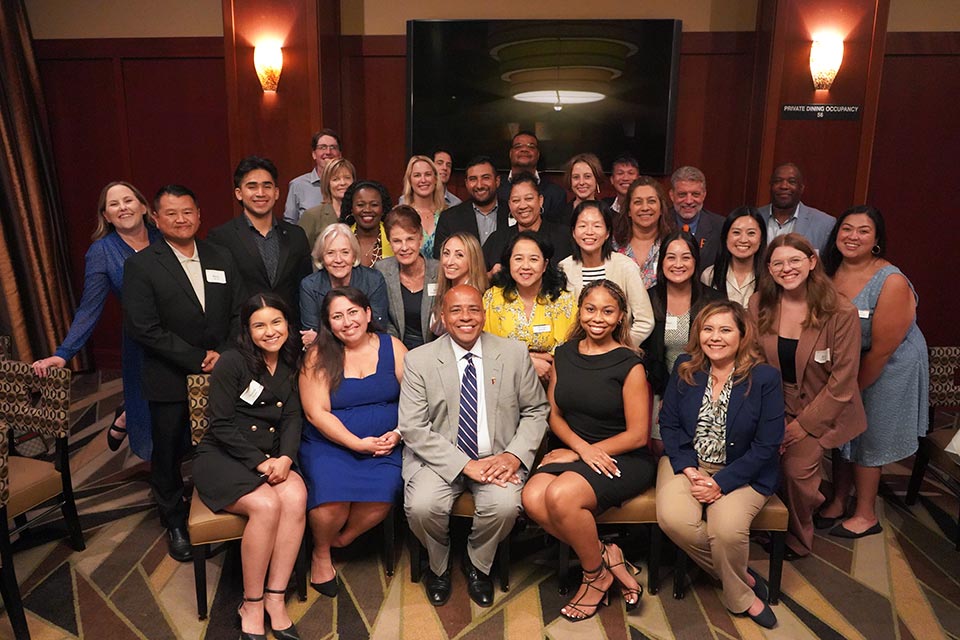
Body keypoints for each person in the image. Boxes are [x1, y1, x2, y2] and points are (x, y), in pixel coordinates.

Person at [399, 285, 549, 607]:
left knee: (505, 505)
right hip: (438, 460)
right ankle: (439, 566)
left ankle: (477, 564)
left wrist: (512, 455)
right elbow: (413, 427)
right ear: (442, 315)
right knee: (422, 506)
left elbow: (537, 411)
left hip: (497, 456)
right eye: (456, 310)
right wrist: (465, 465)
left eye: (473, 309)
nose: (466, 317)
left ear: (483, 314)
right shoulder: (419, 360)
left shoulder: (513, 353)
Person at [521, 280, 655, 621]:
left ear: (621, 317)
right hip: (578, 451)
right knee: (532, 497)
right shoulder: (563, 354)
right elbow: (554, 414)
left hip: (623, 457)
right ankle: (607, 556)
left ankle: (594, 578)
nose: (598, 318)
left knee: (561, 495)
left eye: (608, 311)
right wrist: (579, 449)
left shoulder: (631, 363)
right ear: (580, 311)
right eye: (591, 309)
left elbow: (639, 435)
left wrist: (580, 453)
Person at [123, 184, 242, 561]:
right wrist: (196, 357)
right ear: (155, 219)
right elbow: (144, 328)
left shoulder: (220, 256)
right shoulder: (141, 265)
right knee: (170, 449)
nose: (181, 219)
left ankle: (217, 508)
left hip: (222, 372)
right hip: (170, 376)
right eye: (171, 213)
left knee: (223, 441)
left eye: (187, 211)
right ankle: (174, 518)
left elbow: (240, 312)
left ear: (199, 215)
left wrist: (222, 354)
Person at [657, 301, 784, 629]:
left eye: (725, 330)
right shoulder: (686, 366)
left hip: (743, 470)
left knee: (726, 531)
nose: (715, 337)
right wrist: (688, 469)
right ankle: (740, 582)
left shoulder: (765, 377)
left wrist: (721, 483)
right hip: (689, 462)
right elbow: (668, 424)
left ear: (742, 335)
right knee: (674, 520)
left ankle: (736, 590)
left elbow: (767, 445)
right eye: (708, 329)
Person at [193, 293, 306, 640]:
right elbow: (222, 424)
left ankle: (275, 597)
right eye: (260, 325)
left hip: (272, 456)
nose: (270, 331)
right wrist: (262, 462)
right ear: (247, 330)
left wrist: (286, 457)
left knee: (297, 496)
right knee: (267, 504)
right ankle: (251, 603)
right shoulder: (232, 362)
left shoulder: (291, 360)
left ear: (288, 324)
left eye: (276, 322)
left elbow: (292, 415)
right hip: (224, 456)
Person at [750, 233, 866, 558]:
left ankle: (798, 538)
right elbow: (755, 361)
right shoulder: (760, 303)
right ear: (769, 270)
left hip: (823, 404)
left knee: (795, 472)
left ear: (812, 263)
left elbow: (843, 382)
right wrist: (766, 416)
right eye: (778, 263)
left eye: (795, 260)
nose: (787, 268)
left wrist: (802, 426)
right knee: (759, 459)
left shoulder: (840, 312)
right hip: (774, 401)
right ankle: (770, 523)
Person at [818, 206, 929, 538]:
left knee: (869, 433)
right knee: (842, 431)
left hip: (890, 365)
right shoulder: (830, 271)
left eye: (863, 231)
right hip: (849, 362)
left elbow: (882, 348)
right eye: (847, 229)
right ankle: (838, 499)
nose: (853, 237)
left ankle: (866, 513)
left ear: (877, 240)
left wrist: (851, 390)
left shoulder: (891, 280)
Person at [32, 181, 159, 457]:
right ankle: (163, 480)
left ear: (143, 206)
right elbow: (89, 309)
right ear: (106, 216)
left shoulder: (164, 236)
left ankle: (128, 415)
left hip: (181, 336)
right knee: (149, 416)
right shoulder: (102, 252)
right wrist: (64, 354)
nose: (122, 208)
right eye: (113, 204)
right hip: (141, 343)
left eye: (128, 200)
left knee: (179, 405)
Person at [298, 287, 407, 598]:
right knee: (331, 501)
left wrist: (399, 433)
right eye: (337, 316)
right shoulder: (318, 354)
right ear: (328, 323)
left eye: (353, 312)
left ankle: (342, 540)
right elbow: (315, 412)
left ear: (368, 314)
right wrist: (357, 444)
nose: (347, 322)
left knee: (382, 495)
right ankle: (321, 551)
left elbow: (417, 400)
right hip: (330, 443)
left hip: (387, 443)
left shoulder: (394, 347)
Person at [641, 231, 724, 453]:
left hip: (703, 385)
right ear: (662, 262)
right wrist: (668, 394)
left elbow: (721, 356)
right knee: (660, 445)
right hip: (659, 386)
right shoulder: (648, 299)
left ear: (696, 261)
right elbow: (646, 355)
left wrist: (681, 393)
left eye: (686, 257)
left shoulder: (714, 302)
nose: (678, 264)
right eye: (671, 257)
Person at [207, 156, 312, 325]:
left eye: (267, 186)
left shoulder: (296, 235)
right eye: (252, 186)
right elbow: (219, 296)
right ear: (239, 193)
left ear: (276, 193)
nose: (261, 193)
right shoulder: (221, 237)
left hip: (289, 333)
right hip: (242, 334)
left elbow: (305, 287)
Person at [483, 231, 576, 381]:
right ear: (509, 263)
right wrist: (528, 362)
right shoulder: (493, 299)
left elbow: (568, 349)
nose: (525, 266)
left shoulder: (562, 300)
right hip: (503, 381)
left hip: (552, 381)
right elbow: (486, 348)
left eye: (533, 259)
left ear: (545, 265)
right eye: (518, 259)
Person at [559, 200, 655, 346]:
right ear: (573, 232)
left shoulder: (626, 267)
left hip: (618, 355)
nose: (589, 231)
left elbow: (645, 321)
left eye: (597, 226)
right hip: (577, 353)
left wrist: (620, 349)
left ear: (607, 233)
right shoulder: (564, 268)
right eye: (582, 226)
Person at [299, 223, 388, 345]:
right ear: (322, 258)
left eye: (345, 252)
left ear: (354, 255)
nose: (338, 260)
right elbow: (310, 337)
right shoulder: (309, 286)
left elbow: (378, 329)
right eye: (330, 253)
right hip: (326, 355)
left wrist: (321, 337)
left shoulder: (373, 280)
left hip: (368, 350)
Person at [374, 205, 440, 349]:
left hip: (436, 349)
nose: (404, 247)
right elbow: (383, 320)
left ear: (420, 239)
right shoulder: (382, 270)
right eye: (397, 241)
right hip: (396, 347)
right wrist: (398, 350)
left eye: (410, 239)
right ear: (389, 242)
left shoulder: (439, 271)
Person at [482, 172, 573, 272]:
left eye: (529, 198)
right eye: (516, 200)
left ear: (540, 200)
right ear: (509, 205)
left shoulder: (563, 236)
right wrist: (491, 275)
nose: (523, 206)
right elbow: (477, 277)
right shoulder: (497, 239)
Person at [433, 156, 508, 257]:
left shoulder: (512, 213)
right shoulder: (449, 218)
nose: (479, 185)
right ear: (466, 184)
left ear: (497, 181)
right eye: (473, 179)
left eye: (485, 178)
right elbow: (440, 259)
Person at [758, 163, 835, 254]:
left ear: (801, 188)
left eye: (792, 182)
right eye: (778, 181)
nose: (784, 186)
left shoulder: (824, 224)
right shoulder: (754, 217)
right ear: (770, 186)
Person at [496, 131, 568, 225]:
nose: (524, 149)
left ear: (538, 154)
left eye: (531, 146)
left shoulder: (556, 193)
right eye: (518, 146)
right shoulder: (496, 189)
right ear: (510, 153)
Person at [613, 176, 674, 287]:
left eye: (651, 201)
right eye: (638, 202)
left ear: (661, 209)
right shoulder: (613, 245)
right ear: (629, 211)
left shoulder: (672, 245)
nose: (645, 207)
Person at [701, 207, 767, 308]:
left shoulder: (770, 276)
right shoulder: (709, 275)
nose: (743, 239)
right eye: (736, 232)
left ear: (761, 238)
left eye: (751, 233)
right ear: (726, 236)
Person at [431, 232, 489, 335]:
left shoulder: (484, 297)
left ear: (473, 260)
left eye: (459, 255)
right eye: (446, 253)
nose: (449, 262)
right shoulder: (443, 290)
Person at [669, 166, 724, 267]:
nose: (689, 201)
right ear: (672, 195)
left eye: (695, 194)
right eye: (682, 194)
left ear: (704, 195)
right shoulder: (660, 222)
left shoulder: (720, 227)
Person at [284, 128, 342, 223]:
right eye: (322, 147)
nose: (328, 152)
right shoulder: (298, 185)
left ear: (340, 155)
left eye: (333, 147)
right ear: (314, 154)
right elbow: (290, 223)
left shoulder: (348, 185)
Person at [298, 158, 356, 250]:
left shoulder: (359, 214)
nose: (342, 183)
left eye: (347, 178)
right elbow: (300, 252)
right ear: (327, 184)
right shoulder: (312, 215)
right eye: (335, 179)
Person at [399, 155, 447, 257]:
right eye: (417, 175)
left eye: (428, 174)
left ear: (435, 179)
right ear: (410, 181)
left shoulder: (448, 213)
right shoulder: (401, 215)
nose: (423, 180)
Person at [341, 180, 394, 267]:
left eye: (374, 205)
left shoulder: (394, 238)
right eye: (360, 205)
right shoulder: (341, 238)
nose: (367, 210)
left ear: (383, 209)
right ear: (352, 209)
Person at [562, 153, 605, 223]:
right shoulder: (558, 215)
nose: (581, 182)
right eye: (576, 177)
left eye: (587, 176)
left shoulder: (607, 213)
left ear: (597, 179)